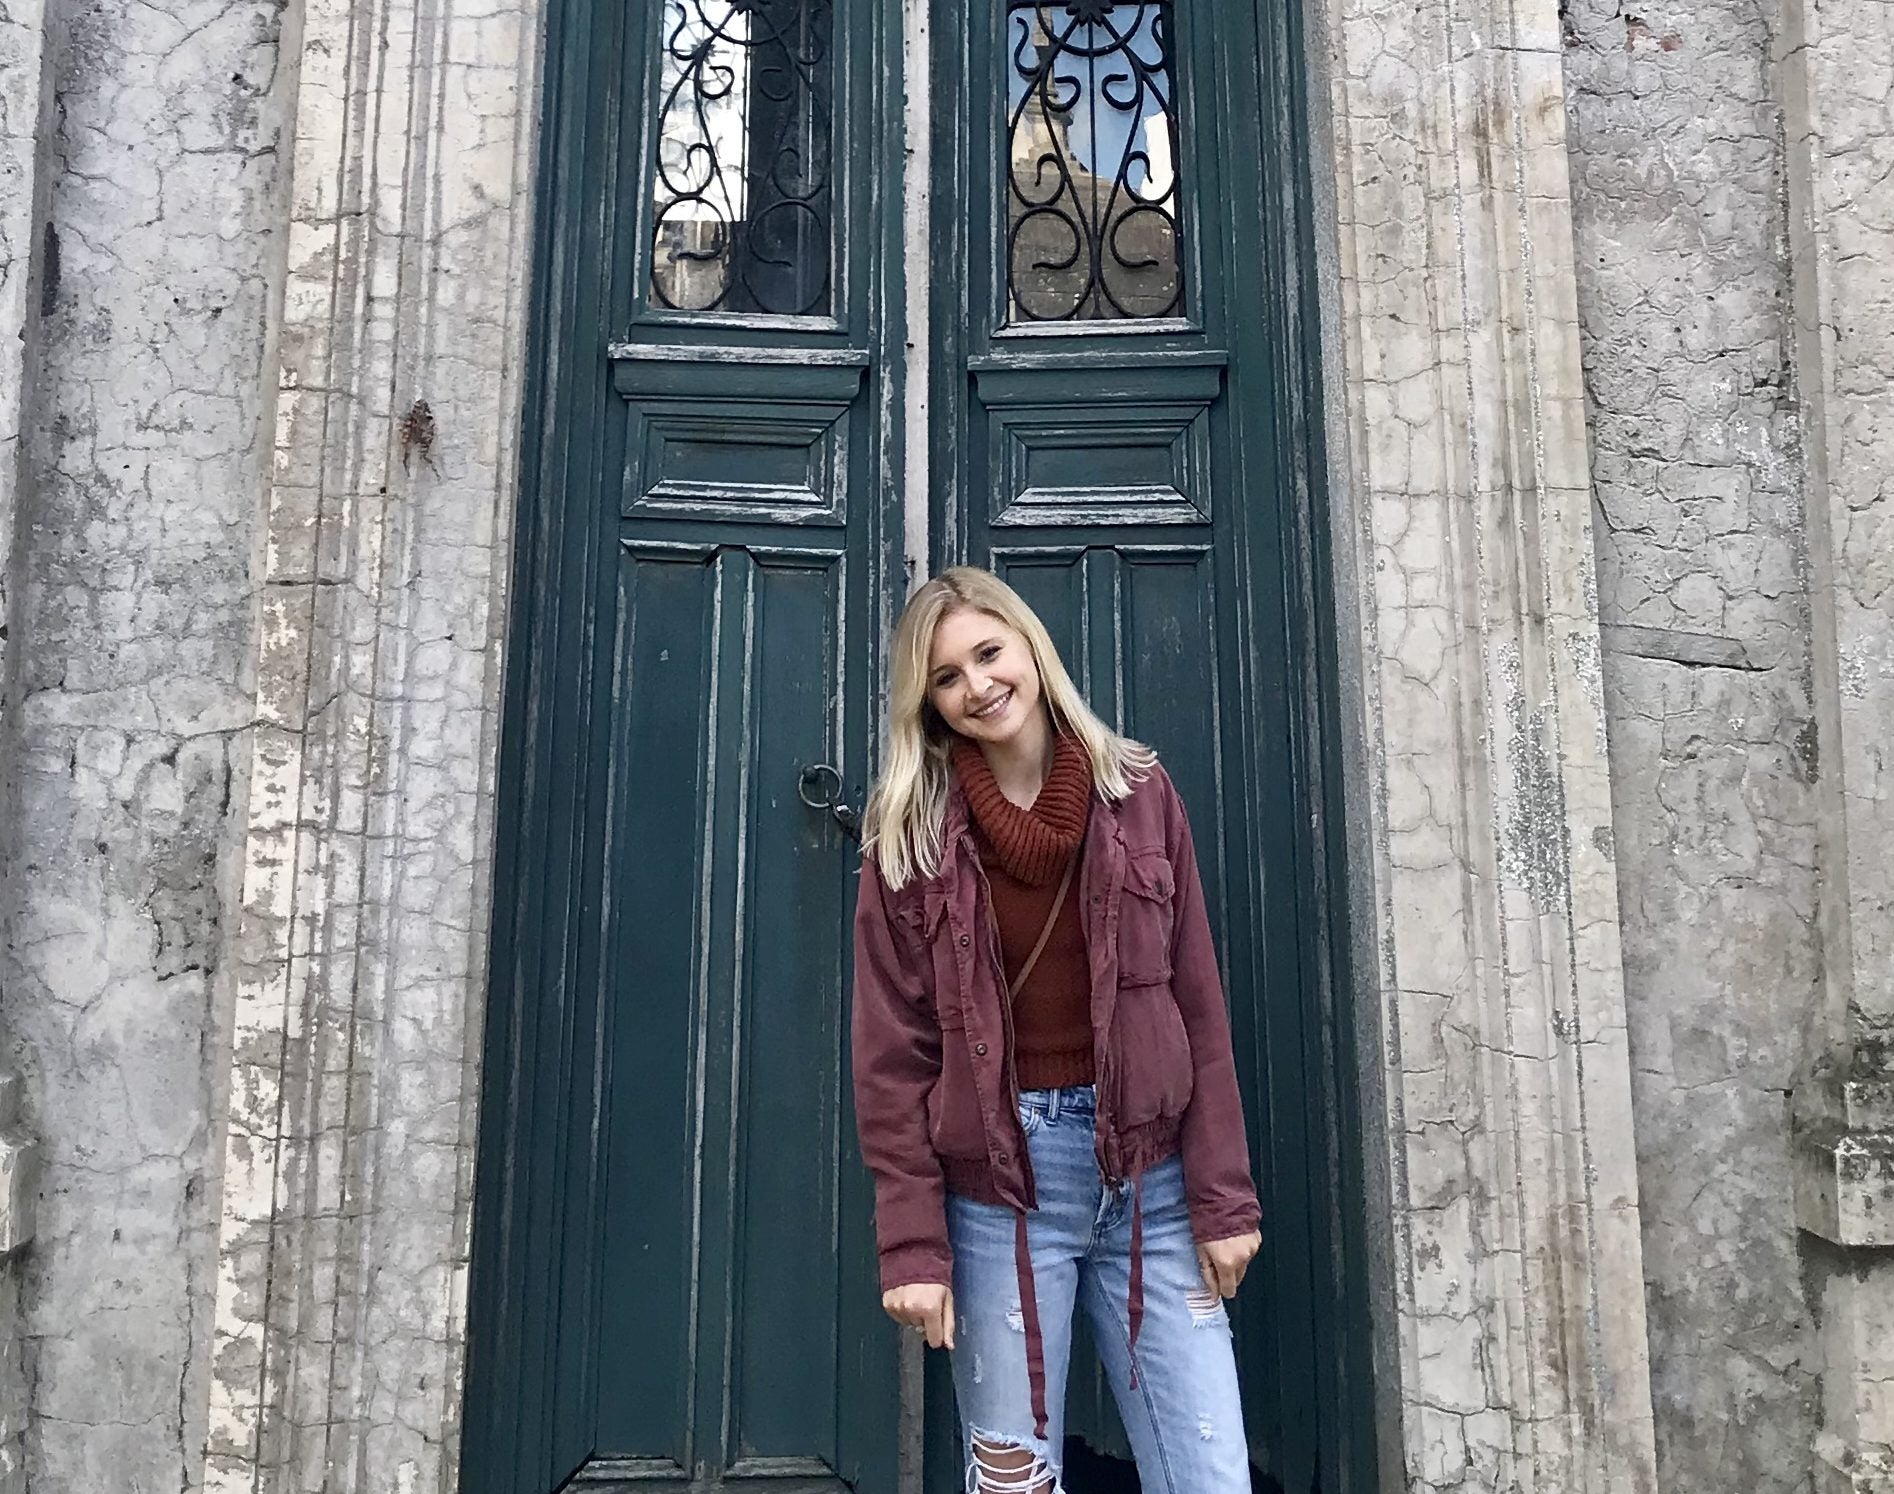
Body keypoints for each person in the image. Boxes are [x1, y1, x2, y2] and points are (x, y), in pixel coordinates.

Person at [850, 567, 1263, 1493]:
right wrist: (913, 1244)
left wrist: (1224, 1198)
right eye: (946, 677)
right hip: (1003, 1192)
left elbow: (1199, 1006)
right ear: (928, 702)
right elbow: (891, 1054)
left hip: (1152, 1181)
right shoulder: (907, 838)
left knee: (1209, 1474)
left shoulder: (1141, 795)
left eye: (988, 653)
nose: (977, 686)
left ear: (1030, 648)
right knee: (1016, 1484)